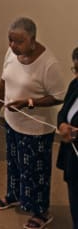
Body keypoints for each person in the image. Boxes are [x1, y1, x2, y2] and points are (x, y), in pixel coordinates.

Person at [0, 17, 65, 229]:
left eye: (18, 42)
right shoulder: (12, 54)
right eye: (10, 40)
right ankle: (13, 195)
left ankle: (40, 212)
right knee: (14, 163)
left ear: (33, 40)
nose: (13, 46)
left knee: (35, 171)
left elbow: (59, 96)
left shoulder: (49, 64)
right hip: (12, 123)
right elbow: (3, 82)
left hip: (36, 129)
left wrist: (28, 103)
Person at [56, 46, 78, 229]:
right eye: (76, 69)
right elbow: (63, 112)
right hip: (73, 161)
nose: (77, 75)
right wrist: (62, 125)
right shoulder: (75, 85)